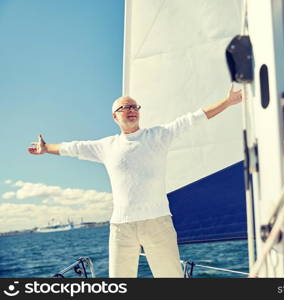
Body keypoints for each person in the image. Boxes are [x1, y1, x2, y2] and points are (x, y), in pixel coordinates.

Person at [28, 85, 243, 278]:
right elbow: (73, 148)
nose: (131, 110)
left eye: (134, 107)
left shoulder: (158, 136)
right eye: (125, 107)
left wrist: (228, 102)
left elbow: (193, 119)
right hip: (122, 227)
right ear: (114, 116)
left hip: (157, 222)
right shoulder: (106, 146)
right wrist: (46, 149)